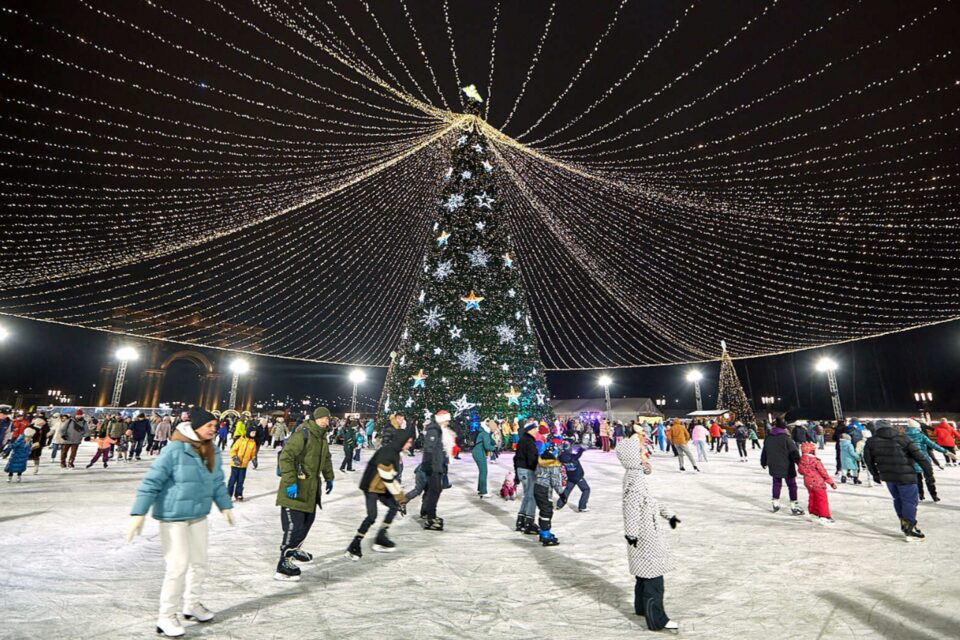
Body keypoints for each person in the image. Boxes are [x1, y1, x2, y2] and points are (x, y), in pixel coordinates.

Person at [126, 408, 234, 637]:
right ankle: (166, 616)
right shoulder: (175, 449)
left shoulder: (212, 449)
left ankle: (192, 604)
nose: (213, 430)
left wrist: (225, 506)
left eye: (215, 426)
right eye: (209, 426)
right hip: (173, 515)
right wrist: (138, 513)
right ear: (196, 427)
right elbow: (151, 481)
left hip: (198, 514)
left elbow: (217, 482)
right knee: (178, 565)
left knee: (200, 563)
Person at [617, 422, 680, 632]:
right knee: (654, 579)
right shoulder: (635, 478)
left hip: (643, 531)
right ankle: (657, 620)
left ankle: (641, 608)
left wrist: (668, 514)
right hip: (644, 535)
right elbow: (632, 507)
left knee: (644, 576)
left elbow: (648, 501)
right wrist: (632, 534)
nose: (646, 453)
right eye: (642, 451)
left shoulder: (636, 475)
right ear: (634, 457)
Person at [274, 407, 335, 581]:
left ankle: (294, 549)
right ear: (315, 418)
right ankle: (283, 564)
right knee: (294, 526)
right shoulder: (303, 434)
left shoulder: (322, 437)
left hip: (311, 490)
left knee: (307, 521)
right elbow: (286, 457)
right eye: (322, 418)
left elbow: (326, 459)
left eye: (327, 419)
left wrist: (329, 477)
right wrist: (290, 482)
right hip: (295, 488)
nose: (325, 421)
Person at [345, 424, 414, 559]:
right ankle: (354, 544)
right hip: (371, 486)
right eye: (409, 442)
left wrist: (399, 497)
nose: (410, 445)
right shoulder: (388, 452)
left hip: (381, 487)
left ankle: (381, 537)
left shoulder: (394, 451)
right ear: (402, 441)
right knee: (372, 516)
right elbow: (387, 477)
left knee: (393, 507)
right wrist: (400, 496)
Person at [863, 420, 933, 540]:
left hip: (888, 477)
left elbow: (868, 460)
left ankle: (905, 523)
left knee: (898, 499)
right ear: (890, 426)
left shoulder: (871, 441)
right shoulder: (902, 438)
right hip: (907, 476)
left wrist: (875, 474)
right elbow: (920, 457)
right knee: (909, 501)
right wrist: (929, 473)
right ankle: (909, 527)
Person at [905, 418, 955, 501]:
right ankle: (934, 495)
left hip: (912, 462)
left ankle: (920, 495)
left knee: (918, 480)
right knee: (929, 478)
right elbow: (933, 445)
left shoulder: (904, 437)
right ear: (917, 427)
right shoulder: (921, 436)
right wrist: (946, 452)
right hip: (924, 460)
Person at [760, 418, 803, 515]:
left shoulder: (768, 437)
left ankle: (775, 503)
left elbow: (764, 451)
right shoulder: (786, 438)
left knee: (776, 483)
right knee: (792, 485)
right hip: (787, 466)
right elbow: (794, 453)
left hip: (774, 465)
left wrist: (763, 462)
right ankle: (794, 505)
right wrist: (799, 463)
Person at [421, 411, 453, 531]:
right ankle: (430, 517)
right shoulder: (434, 430)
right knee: (434, 491)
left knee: (435, 490)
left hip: (437, 465)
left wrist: (443, 463)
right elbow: (429, 448)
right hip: (433, 466)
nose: (448, 423)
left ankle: (428, 513)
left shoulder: (439, 430)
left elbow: (440, 449)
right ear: (441, 420)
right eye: (446, 420)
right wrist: (428, 464)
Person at [533, 434, 563, 546]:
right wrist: (562, 494)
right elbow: (555, 482)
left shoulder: (539, 464)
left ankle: (543, 531)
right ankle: (545, 535)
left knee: (543, 510)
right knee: (547, 511)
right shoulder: (553, 465)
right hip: (545, 490)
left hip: (536, 488)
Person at [797, 442, 837, 525]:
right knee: (822, 499)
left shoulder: (801, 460)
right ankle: (824, 516)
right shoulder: (815, 461)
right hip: (818, 483)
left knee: (812, 497)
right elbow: (823, 473)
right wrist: (831, 482)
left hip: (808, 482)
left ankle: (813, 513)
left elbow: (800, 471)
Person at [514, 420, 541, 534]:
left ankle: (521, 521)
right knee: (532, 496)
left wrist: (517, 474)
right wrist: (537, 471)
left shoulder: (522, 440)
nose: (536, 431)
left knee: (527, 496)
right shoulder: (529, 442)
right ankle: (529, 522)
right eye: (535, 429)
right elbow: (532, 459)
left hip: (521, 470)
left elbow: (516, 458)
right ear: (530, 430)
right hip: (528, 471)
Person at [557, 441, 590, 513]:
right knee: (586, 489)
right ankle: (582, 507)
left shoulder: (560, 457)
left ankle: (559, 504)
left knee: (567, 490)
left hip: (570, 477)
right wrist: (582, 448)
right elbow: (579, 453)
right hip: (578, 477)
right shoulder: (573, 456)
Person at [228, 427, 257, 501]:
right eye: (252, 433)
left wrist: (254, 459)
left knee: (241, 480)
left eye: (254, 433)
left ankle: (238, 494)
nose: (254, 434)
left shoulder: (253, 443)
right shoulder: (240, 440)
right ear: (248, 432)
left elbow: (253, 453)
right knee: (232, 480)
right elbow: (233, 450)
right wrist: (235, 458)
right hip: (235, 464)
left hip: (244, 465)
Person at [472, 419, 496, 498]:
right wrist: (494, 448)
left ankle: (481, 489)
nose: (495, 429)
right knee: (483, 472)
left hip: (478, 452)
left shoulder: (486, 433)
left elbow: (492, 442)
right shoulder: (485, 434)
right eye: (494, 428)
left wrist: (492, 435)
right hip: (479, 453)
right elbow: (487, 446)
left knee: (483, 471)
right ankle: (483, 491)